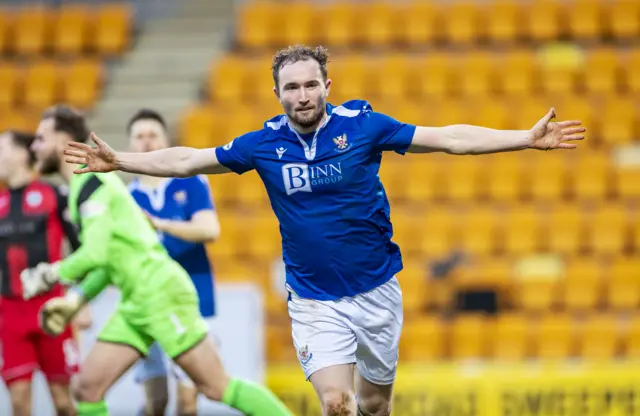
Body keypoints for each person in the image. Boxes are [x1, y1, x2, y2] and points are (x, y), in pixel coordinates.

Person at [63, 45, 586, 416]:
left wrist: (523, 138)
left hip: (378, 291)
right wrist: (120, 160)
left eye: (312, 83)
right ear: (277, 93)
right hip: (313, 299)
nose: (303, 94)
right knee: (336, 404)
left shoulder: (363, 127)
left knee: (375, 404)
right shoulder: (261, 145)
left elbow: (448, 137)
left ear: (327, 86)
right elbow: (187, 160)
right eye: (292, 86)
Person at [20, 104, 294, 416]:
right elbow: (107, 259)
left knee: (215, 387)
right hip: (137, 301)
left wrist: (49, 274)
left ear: (62, 142)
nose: (34, 147)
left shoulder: (92, 185)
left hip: (162, 295)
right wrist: (76, 298)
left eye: (41, 138)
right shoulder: (88, 187)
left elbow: (93, 253)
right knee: (87, 388)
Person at [126, 109, 221, 416]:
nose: (146, 142)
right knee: (155, 402)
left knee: (188, 401)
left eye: (153, 134)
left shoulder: (192, 182)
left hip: (193, 299)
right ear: (129, 145)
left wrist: (159, 224)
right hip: (148, 304)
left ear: (167, 140)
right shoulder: (126, 198)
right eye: (139, 136)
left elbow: (210, 230)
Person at [0, 129, 88, 416]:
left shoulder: (53, 195)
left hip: (51, 310)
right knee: (19, 403)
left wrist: (81, 299)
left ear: (23, 154)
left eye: (3, 148)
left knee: (65, 402)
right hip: (9, 315)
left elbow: (82, 248)